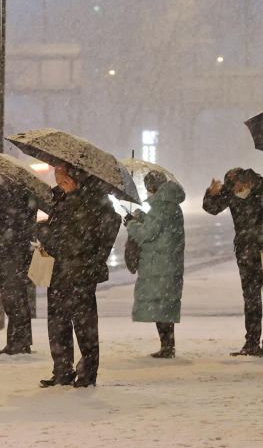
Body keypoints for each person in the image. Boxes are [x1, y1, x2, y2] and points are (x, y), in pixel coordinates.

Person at [36, 163, 122, 387]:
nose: (58, 181)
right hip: (61, 270)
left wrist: (45, 232)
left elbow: (73, 241)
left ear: (76, 179)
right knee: (58, 323)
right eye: (56, 176)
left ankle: (86, 374)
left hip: (79, 271)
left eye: (62, 177)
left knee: (84, 326)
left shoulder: (90, 203)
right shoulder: (63, 199)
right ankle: (62, 370)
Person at [203, 167, 263, 356]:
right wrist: (211, 194)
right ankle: (251, 343)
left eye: (238, 188)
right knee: (251, 300)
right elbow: (212, 209)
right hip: (246, 253)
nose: (236, 193)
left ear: (247, 181)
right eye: (232, 191)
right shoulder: (232, 192)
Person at [125, 170, 186, 358]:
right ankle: (168, 346)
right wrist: (142, 217)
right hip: (168, 263)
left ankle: (167, 348)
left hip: (159, 265)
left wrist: (131, 224)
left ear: (152, 188)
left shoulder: (160, 206)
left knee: (161, 308)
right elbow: (158, 227)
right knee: (165, 306)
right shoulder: (171, 204)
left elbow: (147, 234)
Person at [0, 179, 40, 355]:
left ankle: (18, 343)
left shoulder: (16, 196)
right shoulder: (17, 195)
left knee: (14, 301)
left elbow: (11, 224)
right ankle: (18, 342)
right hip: (13, 256)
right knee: (15, 300)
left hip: (12, 257)